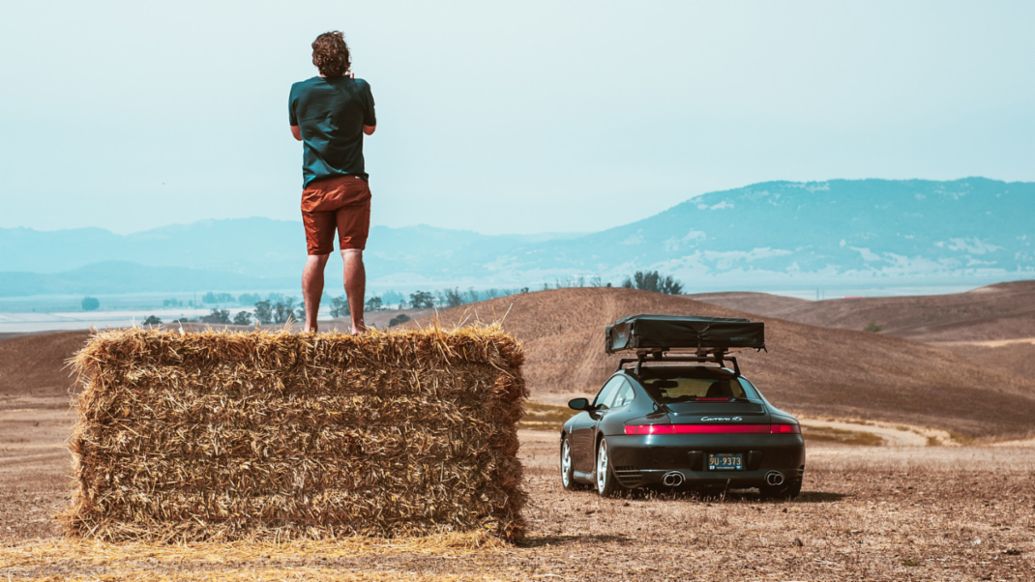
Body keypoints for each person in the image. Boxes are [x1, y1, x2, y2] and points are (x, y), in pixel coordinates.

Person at [288, 31, 376, 334]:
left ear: (316, 60)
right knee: (351, 252)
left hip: (315, 186)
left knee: (316, 255)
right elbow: (370, 128)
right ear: (345, 58)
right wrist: (352, 88)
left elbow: (297, 133)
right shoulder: (359, 88)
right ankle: (357, 324)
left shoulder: (299, 91)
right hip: (351, 183)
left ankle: (310, 326)